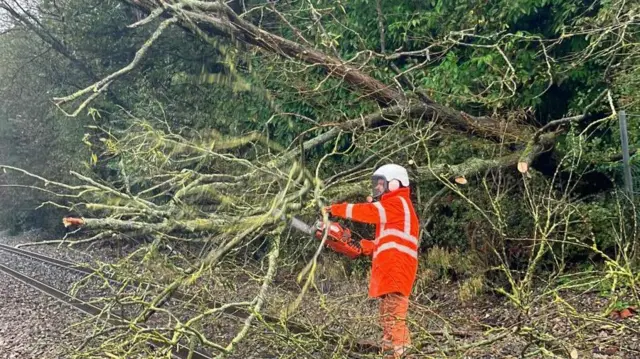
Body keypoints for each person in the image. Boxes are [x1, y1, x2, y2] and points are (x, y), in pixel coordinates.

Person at [322, 164, 419, 358]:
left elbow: (367, 212)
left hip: (397, 268)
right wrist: (361, 246)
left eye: (381, 184)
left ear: (394, 183)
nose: (377, 189)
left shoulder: (398, 203)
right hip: (392, 268)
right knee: (386, 315)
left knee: (394, 315)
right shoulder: (394, 211)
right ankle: (389, 352)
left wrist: (335, 209)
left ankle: (402, 353)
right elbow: (383, 242)